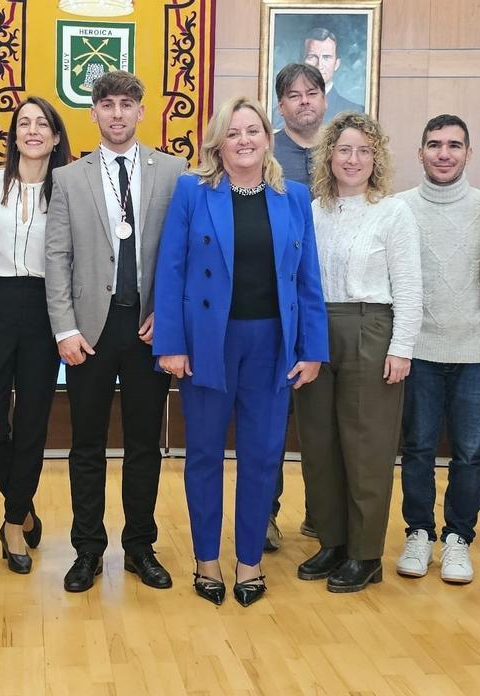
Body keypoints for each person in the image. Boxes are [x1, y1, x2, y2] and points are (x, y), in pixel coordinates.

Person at [154, 96, 328, 607]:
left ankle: (248, 559)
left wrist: (312, 348)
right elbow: (172, 270)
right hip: (209, 342)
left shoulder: (294, 197)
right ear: (218, 143)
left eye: (253, 131)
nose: (244, 140)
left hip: (272, 343)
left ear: (267, 139)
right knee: (204, 454)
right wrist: (170, 344)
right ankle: (207, 558)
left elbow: (308, 280)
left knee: (262, 455)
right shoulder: (193, 192)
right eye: (233, 133)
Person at [45, 70, 188, 593]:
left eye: (128, 103)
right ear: (94, 113)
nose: (118, 114)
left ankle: (140, 548)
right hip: (89, 331)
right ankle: (86, 549)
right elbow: (57, 257)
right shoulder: (69, 178)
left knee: (145, 443)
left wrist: (171, 317)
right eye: (107, 104)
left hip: (149, 328)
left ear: (142, 111)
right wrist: (64, 327)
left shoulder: (174, 172)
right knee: (85, 444)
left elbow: (184, 254)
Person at [293, 111, 422, 593]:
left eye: (364, 150)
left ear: (377, 158)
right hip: (316, 329)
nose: (353, 159)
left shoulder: (393, 211)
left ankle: (365, 553)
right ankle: (332, 542)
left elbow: (410, 285)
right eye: (344, 149)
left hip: (372, 327)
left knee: (366, 446)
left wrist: (402, 346)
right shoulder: (312, 209)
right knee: (319, 441)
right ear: (329, 155)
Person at [395, 115, 480, 584]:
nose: (444, 153)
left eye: (454, 145)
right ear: (419, 153)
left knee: (471, 453)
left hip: (478, 351)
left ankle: (459, 539)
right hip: (417, 349)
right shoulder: (398, 208)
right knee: (416, 448)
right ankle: (418, 532)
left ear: (468, 154)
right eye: (434, 144)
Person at [0, 97, 71, 574]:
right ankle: (24, 504)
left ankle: (13, 523)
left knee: (32, 417)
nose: (32, 131)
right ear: (13, 135)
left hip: (45, 307)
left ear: (55, 136)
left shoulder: (68, 188)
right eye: (23, 123)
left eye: (41, 124)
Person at [265, 62, 329, 552]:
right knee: (271, 419)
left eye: (311, 93)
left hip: (334, 300)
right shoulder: (268, 154)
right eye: (293, 95)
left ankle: (322, 515)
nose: (304, 101)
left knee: (324, 420)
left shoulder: (343, 152)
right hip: (275, 302)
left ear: (323, 99)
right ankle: (264, 513)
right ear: (280, 105)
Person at [301, 27, 364, 122]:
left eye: (326, 57)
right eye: (312, 57)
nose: (319, 65)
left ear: (336, 64)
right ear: (302, 63)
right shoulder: (280, 112)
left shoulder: (356, 113)